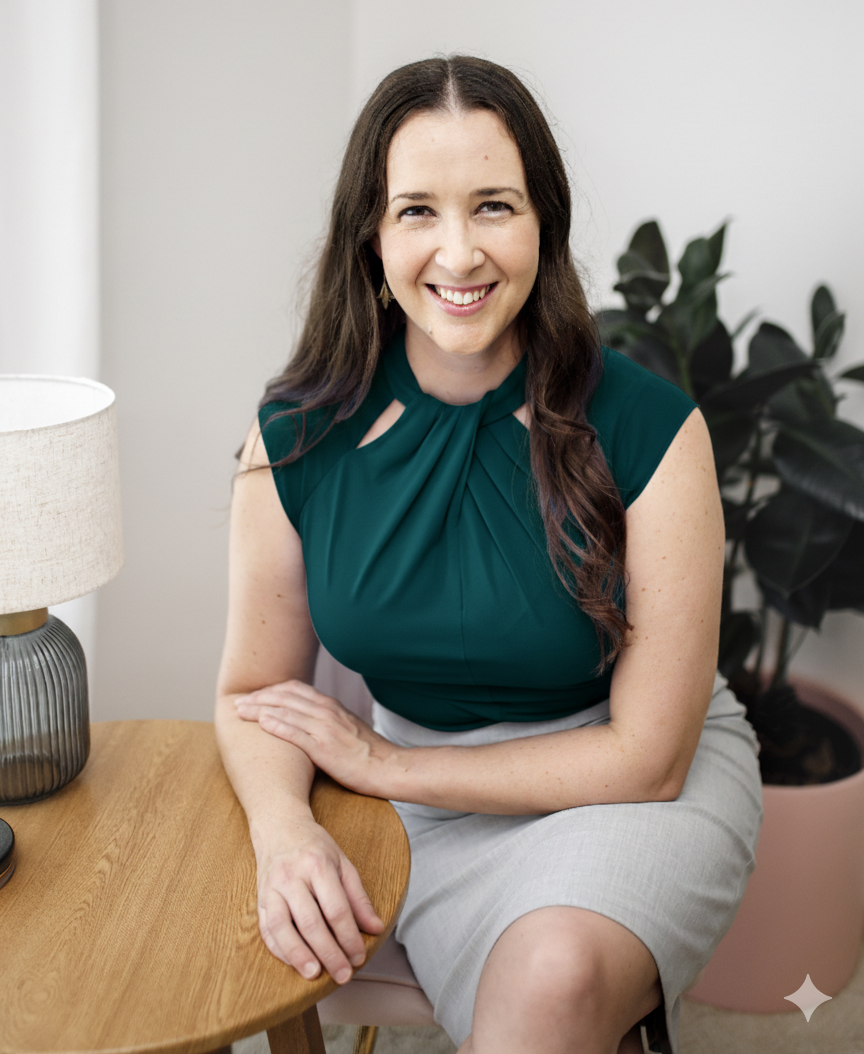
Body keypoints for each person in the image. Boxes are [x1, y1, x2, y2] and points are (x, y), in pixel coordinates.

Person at [214, 56, 763, 1054]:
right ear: (370, 234)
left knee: (552, 980)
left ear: (543, 222)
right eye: (418, 210)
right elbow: (251, 689)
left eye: (495, 206)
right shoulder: (294, 435)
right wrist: (282, 827)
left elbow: (648, 755)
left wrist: (384, 761)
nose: (459, 254)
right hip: (413, 801)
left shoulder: (652, 428)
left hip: (623, 775)